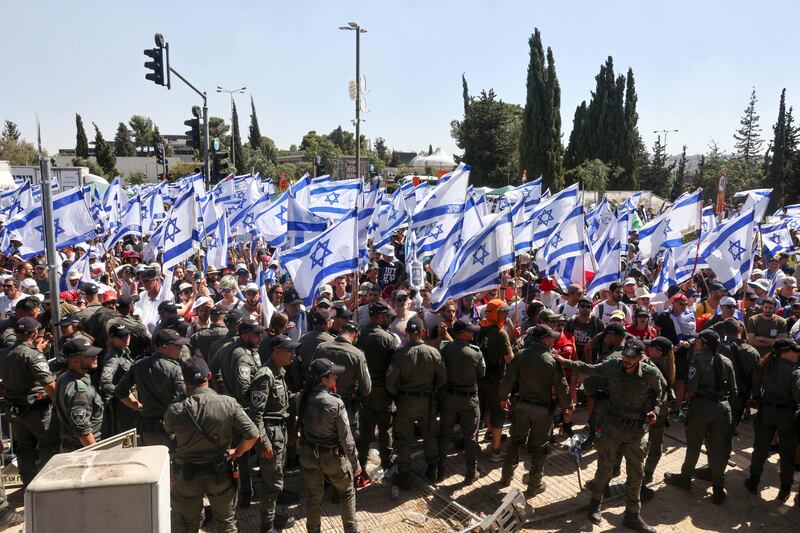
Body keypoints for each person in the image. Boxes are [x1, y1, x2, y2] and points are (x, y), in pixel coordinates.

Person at [554, 339, 663, 532]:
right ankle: (595, 503)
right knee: (604, 468)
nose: (627, 361)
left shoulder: (650, 373)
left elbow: (659, 394)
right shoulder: (613, 366)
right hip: (612, 427)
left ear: (640, 357)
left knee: (636, 474)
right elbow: (588, 368)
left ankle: (632, 515)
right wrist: (565, 362)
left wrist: (654, 411)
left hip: (636, 432)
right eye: (625, 357)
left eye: (631, 358)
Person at [165, 357, 258, 533]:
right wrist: (237, 451)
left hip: (187, 476)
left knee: (187, 526)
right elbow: (253, 434)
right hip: (220, 475)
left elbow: (168, 432)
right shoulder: (228, 403)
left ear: (185, 382)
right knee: (226, 524)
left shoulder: (175, 409)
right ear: (209, 376)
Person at [665, 329, 737, 504]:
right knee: (719, 449)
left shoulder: (698, 361)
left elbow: (691, 389)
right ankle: (718, 488)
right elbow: (734, 391)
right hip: (723, 408)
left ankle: (685, 478)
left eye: (698, 339)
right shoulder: (727, 361)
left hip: (702, 407)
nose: (695, 342)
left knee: (694, 445)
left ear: (704, 343)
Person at [500, 325, 572, 496]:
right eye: (551, 337)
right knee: (540, 448)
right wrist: (567, 407)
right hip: (542, 410)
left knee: (515, 442)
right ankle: (534, 485)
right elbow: (562, 387)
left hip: (522, 406)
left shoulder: (521, 354)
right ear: (544, 339)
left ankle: (505, 478)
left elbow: (508, 378)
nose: (553, 340)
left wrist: (503, 397)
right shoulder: (551, 360)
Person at [298, 358, 361, 533]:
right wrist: (355, 464)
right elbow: (346, 439)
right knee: (347, 492)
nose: (336, 377)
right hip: (332, 458)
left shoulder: (301, 398)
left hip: (308, 455)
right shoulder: (335, 403)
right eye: (333, 375)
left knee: (314, 497)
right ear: (323, 380)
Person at [386, 316, 447, 488]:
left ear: (407, 333)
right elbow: (443, 379)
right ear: (423, 332)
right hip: (427, 401)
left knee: (404, 438)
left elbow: (390, 382)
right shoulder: (433, 353)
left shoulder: (400, 355)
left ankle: (404, 475)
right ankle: (432, 468)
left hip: (405, 401)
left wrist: (398, 394)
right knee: (429, 435)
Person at [248, 335, 299, 532]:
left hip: (280, 431)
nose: (293, 354)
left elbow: (282, 401)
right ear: (276, 351)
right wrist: (264, 442)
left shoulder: (279, 372)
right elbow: (256, 414)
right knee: (271, 484)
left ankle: (273, 516)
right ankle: (266, 526)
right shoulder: (265, 375)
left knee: (276, 478)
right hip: (270, 434)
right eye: (290, 350)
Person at [0, 316, 59, 486]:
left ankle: (29, 486)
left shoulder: (3, 353)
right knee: (49, 446)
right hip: (36, 410)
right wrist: (59, 406)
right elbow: (50, 385)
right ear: (34, 334)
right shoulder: (33, 355)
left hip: (13, 410)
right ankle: (48, 486)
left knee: (24, 449)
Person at [743, 338, 800, 502]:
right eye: (794, 351)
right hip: (787, 416)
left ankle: (753, 482)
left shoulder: (765, 365)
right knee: (787, 454)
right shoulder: (795, 372)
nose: (797, 354)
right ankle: (785, 490)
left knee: (760, 449)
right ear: (784, 352)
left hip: (766, 412)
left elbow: (756, 389)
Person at [220, 317, 265, 507]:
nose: (260, 337)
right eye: (256, 334)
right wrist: (254, 406)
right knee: (242, 455)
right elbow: (244, 388)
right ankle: (245, 495)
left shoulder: (228, 347)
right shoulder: (243, 356)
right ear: (245, 335)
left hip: (231, 406)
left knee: (240, 454)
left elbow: (214, 369)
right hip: (242, 411)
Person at [114, 328, 186, 447]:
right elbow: (185, 397)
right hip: (171, 425)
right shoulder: (175, 369)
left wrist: (138, 406)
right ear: (164, 347)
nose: (181, 348)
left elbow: (120, 391)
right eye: (177, 345)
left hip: (147, 426)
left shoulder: (138, 365)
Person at [437, 319, 485, 483]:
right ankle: (471, 473)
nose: (473, 333)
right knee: (470, 437)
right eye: (470, 331)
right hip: (468, 399)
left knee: (445, 433)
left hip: (449, 398)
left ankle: (440, 470)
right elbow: (482, 373)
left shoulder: (445, 349)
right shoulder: (476, 352)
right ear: (462, 334)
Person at [355, 301, 397, 469]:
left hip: (365, 391)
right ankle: (387, 464)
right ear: (379, 316)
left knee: (365, 431)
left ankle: (361, 464)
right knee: (385, 429)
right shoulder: (388, 339)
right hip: (383, 391)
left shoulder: (360, 336)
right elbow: (394, 367)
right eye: (386, 315)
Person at [311, 320, 371, 439]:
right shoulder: (357, 355)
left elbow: (311, 374)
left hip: (320, 405)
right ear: (356, 335)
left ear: (340, 332)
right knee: (344, 446)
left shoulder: (321, 347)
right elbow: (366, 389)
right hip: (345, 408)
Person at [476, 299, 515, 463]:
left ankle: (487, 436)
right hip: (496, 380)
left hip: (480, 379)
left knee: (485, 410)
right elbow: (509, 359)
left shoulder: (480, 329)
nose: (507, 315)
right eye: (503, 312)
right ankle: (496, 451)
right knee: (499, 414)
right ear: (494, 313)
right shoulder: (500, 333)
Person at [53, 337, 104, 451]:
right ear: (75, 360)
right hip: (84, 449)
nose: (95, 357)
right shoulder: (79, 391)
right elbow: (82, 430)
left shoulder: (64, 377)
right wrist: (96, 454)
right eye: (90, 355)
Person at [640, 336, 676, 500]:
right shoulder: (670, 364)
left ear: (658, 351)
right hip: (661, 410)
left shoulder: (651, 365)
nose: (648, 349)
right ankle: (648, 474)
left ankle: (639, 479)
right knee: (656, 443)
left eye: (651, 347)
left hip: (649, 409)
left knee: (638, 443)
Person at [716, 318, 760, 432]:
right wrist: (755, 395)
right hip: (741, 393)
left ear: (724, 332)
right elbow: (756, 378)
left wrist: (719, 324)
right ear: (741, 329)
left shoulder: (719, 347)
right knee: (732, 423)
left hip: (720, 391)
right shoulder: (752, 352)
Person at [99, 324, 139, 436]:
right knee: (127, 435)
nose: (126, 338)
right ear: (112, 339)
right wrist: (123, 394)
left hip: (130, 400)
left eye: (127, 334)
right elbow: (105, 383)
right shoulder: (113, 357)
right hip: (122, 404)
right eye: (121, 336)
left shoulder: (123, 351)